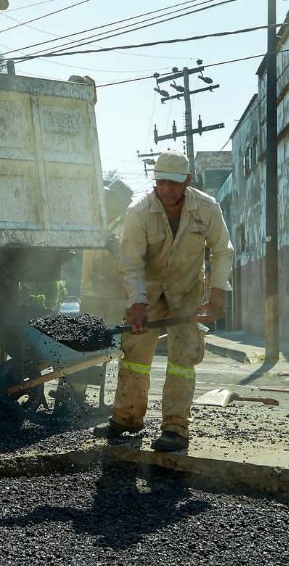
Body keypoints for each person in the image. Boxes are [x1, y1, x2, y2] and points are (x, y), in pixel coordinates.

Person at [110, 150, 233, 453]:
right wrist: (138, 303)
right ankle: (127, 418)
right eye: (161, 181)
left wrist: (217, 295)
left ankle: (176, 427)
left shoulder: (207, 208)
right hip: (147, 293)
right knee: (136, 353)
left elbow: (222, 251)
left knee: (183, 358)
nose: (166, 189)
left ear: (188, 180)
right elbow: (131, 262)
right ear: (155, 181)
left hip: (187, 292)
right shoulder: (138, 211)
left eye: (173, 183)